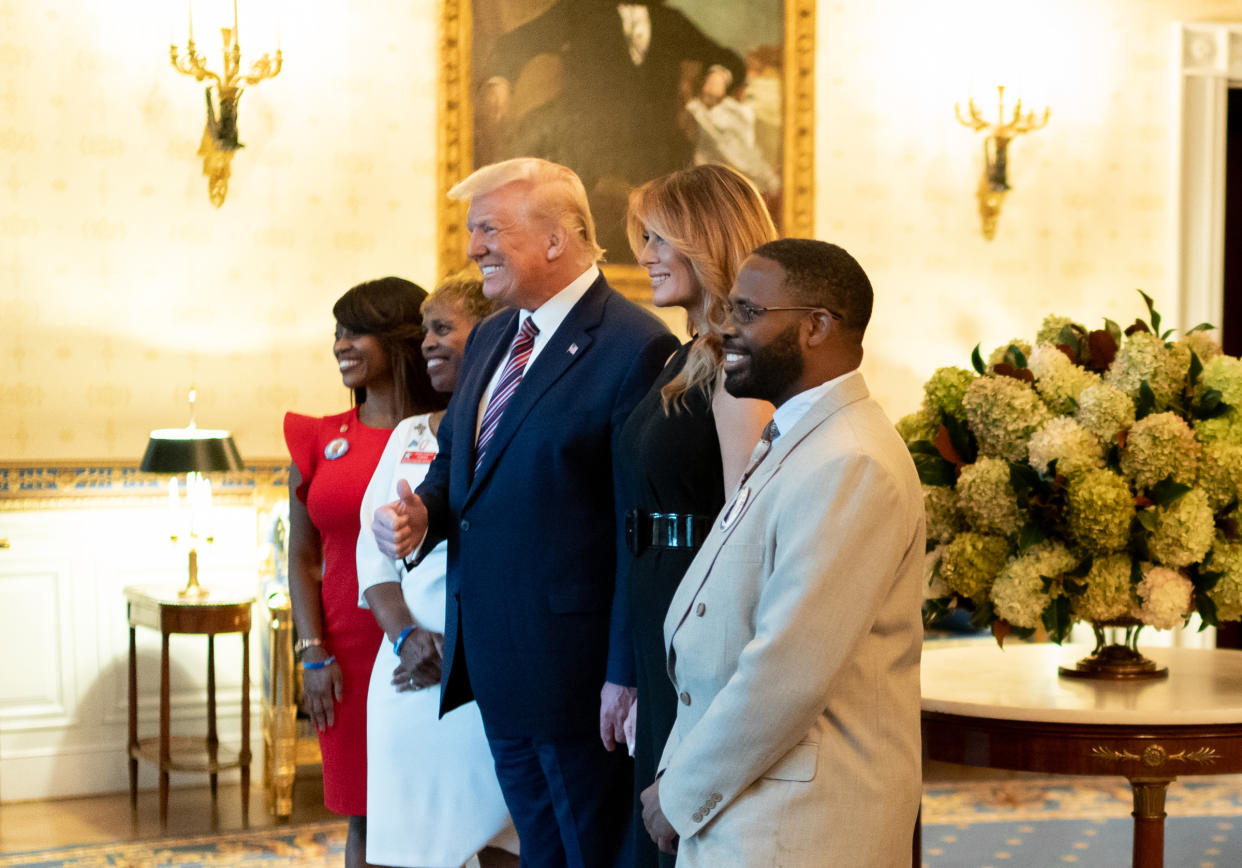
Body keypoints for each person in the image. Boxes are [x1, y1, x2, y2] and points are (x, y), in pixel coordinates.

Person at [372, 157, 679, 868]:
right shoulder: (491, 337)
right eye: (472, 230)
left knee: (591, 853)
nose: (474, 247)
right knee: (542, 852)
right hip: (496, 662)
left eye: (489, 229)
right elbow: (458, 468)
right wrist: (424, 518)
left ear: (554, 239)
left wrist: (623, 672)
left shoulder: (636, 347)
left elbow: (635, 531)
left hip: (578, 678)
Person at [640, 239, 925, 866]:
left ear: (816, 325)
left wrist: (682, 791)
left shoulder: (851, 459)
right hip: (754, 805)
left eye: (747, 312)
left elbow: (787, 670)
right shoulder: (802, 435)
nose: (725, 329)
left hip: (798, 823)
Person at [616, 163, 775, 868]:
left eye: (660, 237)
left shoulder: (739, 365)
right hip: (658, 596)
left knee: (683, 822)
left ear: (707, 240)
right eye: (643, 237)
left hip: (698, 605)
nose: (644, 254)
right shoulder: (684, 355)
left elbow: (745, 531)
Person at [355, 270, 520, 868]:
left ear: (495, 332)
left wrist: (462, 654)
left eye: (443, 327)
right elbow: (372, 560)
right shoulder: (407, 434)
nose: (426, 342)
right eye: (424, 329)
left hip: (491, 672)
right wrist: (407, 637)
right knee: (408, 845)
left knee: (503, 840)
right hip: (408, 677)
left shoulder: (517, 430)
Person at [284, 277, 446, 868]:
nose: (340, 344)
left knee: (446, 810)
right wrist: (312, 652)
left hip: (434, 639)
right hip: (346, 654)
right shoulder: (319, 438)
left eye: (356, 331)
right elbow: (301, 556)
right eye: (337, 331)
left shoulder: (453, 431)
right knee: (367, 816)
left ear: (400, 338)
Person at [475, 0, 747, 257]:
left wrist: (718, 75)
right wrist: (500, 81)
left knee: (664, 226)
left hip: (653, 147)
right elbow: (515, 44)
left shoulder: (668, 20)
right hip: (590, 146)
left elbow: (727, 58)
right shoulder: (579, 11)